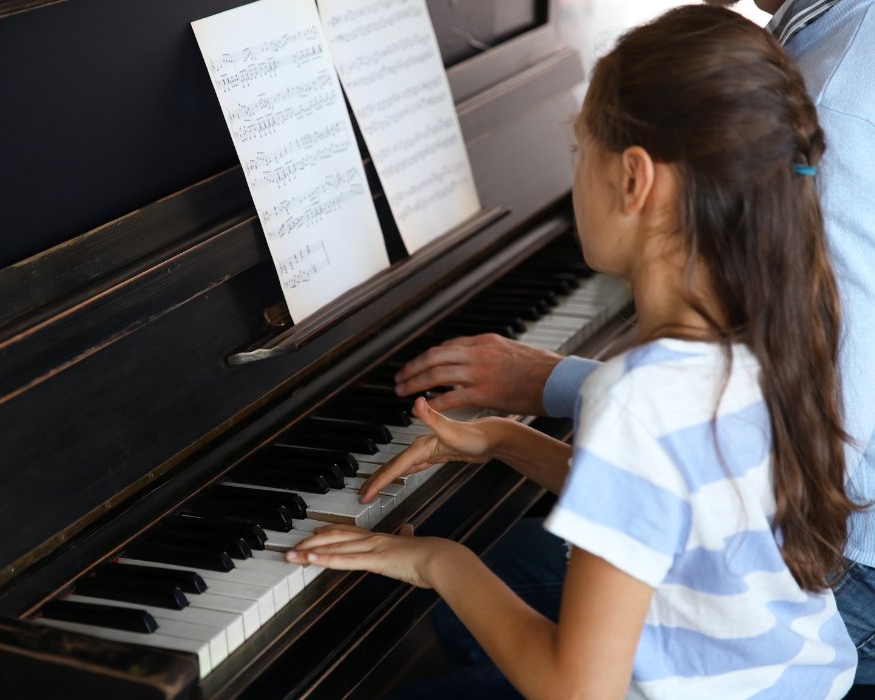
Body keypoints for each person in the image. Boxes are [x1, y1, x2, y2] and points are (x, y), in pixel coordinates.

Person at [287, 7, 860, 697]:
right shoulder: (774, 334)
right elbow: (670, 505)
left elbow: (575, 689)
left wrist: (440, 561)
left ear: (633, 180)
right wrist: (501, 439)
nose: (572, 175)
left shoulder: (639, 397)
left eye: (578, 150)